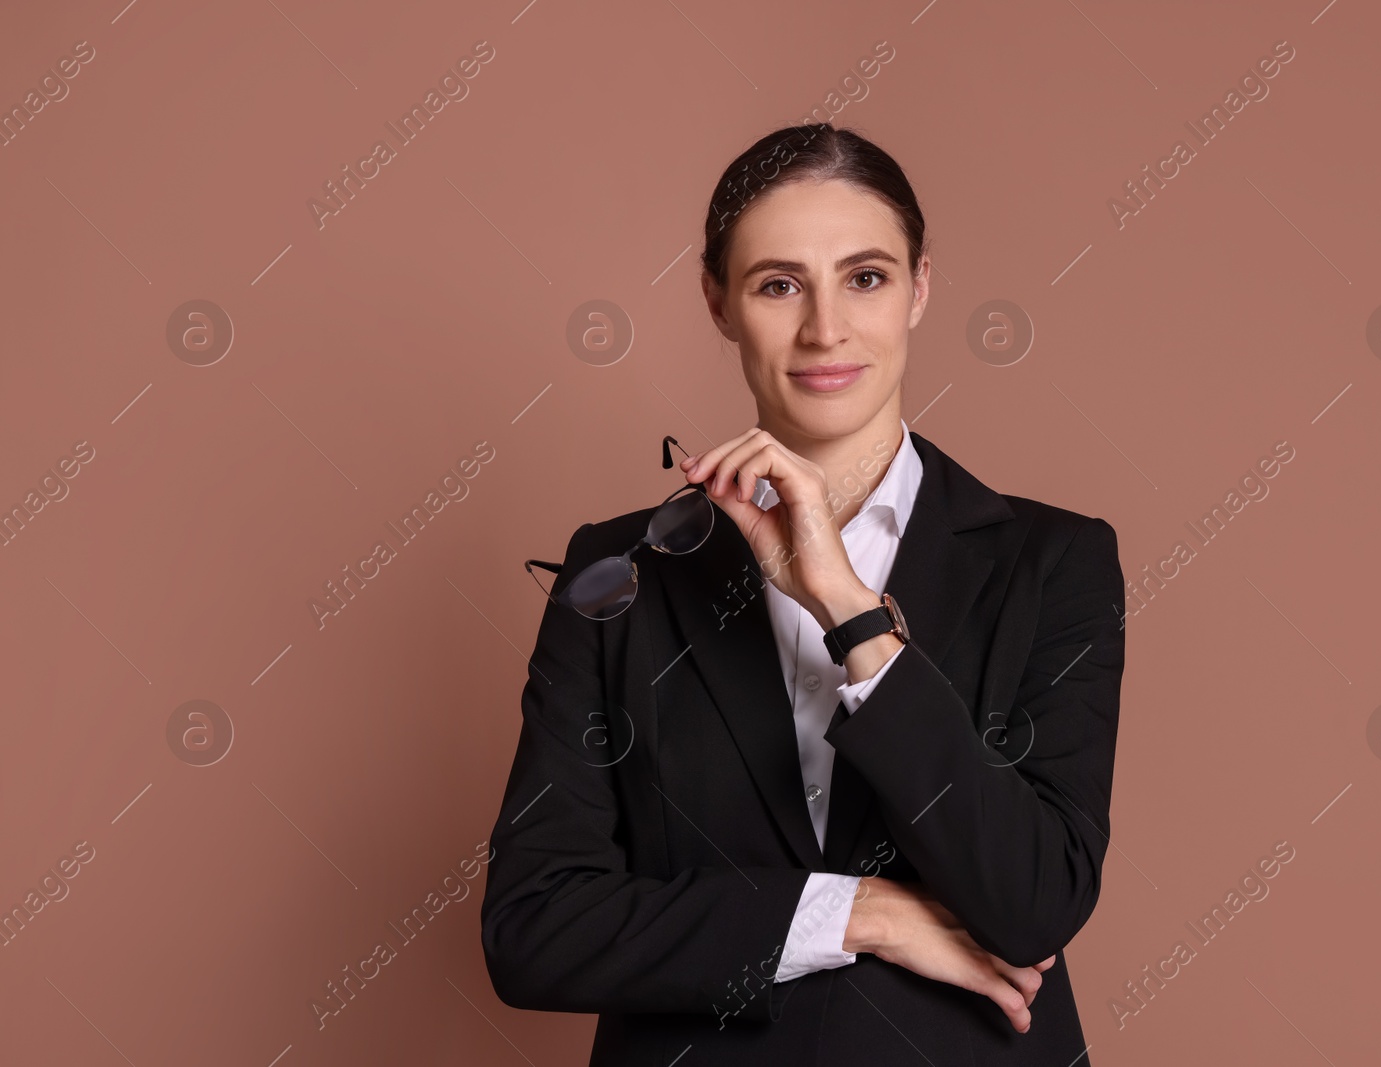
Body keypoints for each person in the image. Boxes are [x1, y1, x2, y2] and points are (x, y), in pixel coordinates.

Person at [481, 122, 1126, 1066]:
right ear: (717, 302)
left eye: (865, 277)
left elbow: (1034, 900)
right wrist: (858, 913)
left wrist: (850, 611)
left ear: (920, 288)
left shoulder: (1053, 561)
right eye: (779, 284)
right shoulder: (619, 571)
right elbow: (534, 926)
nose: (826, 328)